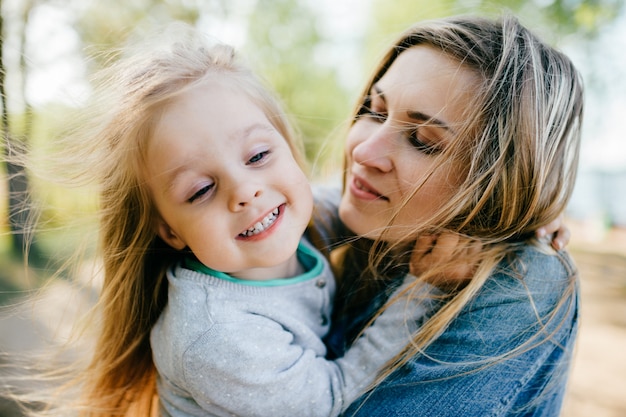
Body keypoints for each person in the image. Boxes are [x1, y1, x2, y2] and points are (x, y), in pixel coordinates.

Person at [4, 24, 443, 417]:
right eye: (200, 190)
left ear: (287, 146)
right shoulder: (216, 335)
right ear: (172, 231)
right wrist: (423, 288)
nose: (245, 191)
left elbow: (333, 204)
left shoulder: (289, 219)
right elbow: (328, 399)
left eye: (257, 155)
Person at [305, 14, 582, 416]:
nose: (363, 152)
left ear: (496, 182)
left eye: (422, 140)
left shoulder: (524, 280)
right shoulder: (372, 234)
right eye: (376, 110)